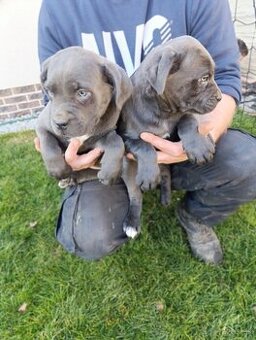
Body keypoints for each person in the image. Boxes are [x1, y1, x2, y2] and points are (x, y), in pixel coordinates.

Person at [36, 0, 256, 264]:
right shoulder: (59, 8)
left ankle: (196, 215)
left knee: (247, 160)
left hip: (177, 135)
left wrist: (202, 133)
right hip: (107, 153)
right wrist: (67, 155)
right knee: (91, 237)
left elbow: (227, 75)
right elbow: (54, 97)